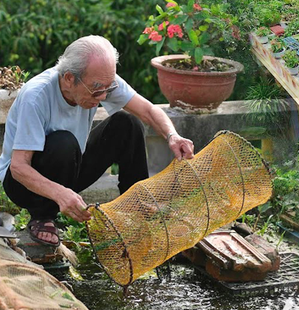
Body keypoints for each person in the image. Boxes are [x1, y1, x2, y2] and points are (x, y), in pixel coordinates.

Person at [0, 35, 194, 247]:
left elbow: (147, 110)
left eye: (107, 88)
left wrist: (172, 136)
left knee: (127, 123)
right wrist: (60, 193)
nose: (103, 96)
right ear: (68, 78)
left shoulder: (102, 82)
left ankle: (136, 206)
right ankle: (43, 217)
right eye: (97, 89)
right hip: (22, 184)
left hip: (71, 168)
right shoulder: (36, 96)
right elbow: (19, 167)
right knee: (63, 142)